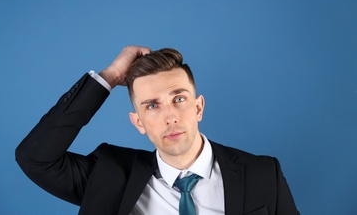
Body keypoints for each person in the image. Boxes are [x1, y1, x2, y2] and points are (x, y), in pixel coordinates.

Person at [16, 46, 299, 215]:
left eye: (179, 99)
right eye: (152, 106)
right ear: (138, 122)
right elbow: (35, 157)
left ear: (198, 107)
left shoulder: (263, 174)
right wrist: (110, 77)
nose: (170, 117)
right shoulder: (109, 175)